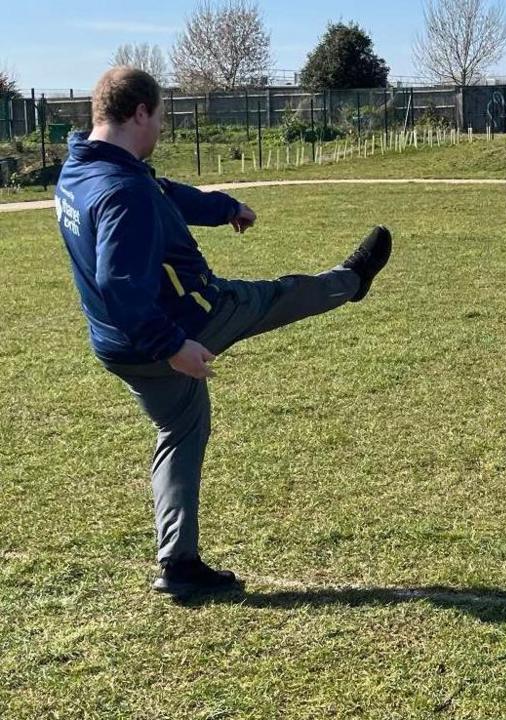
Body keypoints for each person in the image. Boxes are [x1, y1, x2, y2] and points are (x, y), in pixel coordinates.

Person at [54, 67, 393, 597]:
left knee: (182, 432)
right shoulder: (123, 190)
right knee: (272, 297)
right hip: (186, 321)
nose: (162, 127)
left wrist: (223, 207)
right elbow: (117, 281)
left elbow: (162, 193)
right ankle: (350, 281)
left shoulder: (83, 167)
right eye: (161, 116)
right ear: (140, 111)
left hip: (115, 346)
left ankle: (180, 566)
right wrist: (174, 348)